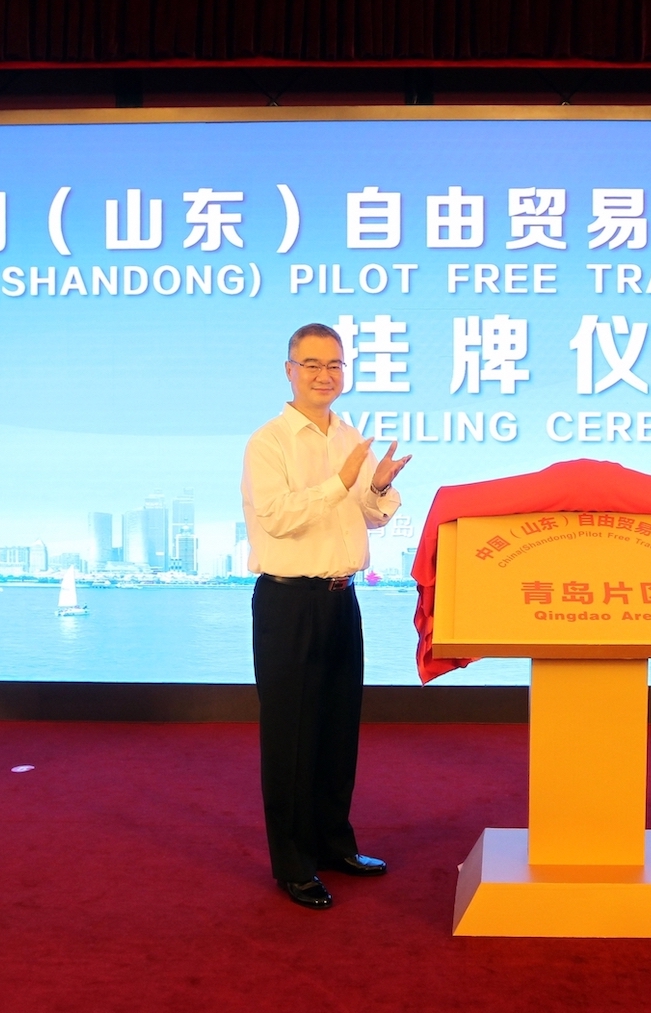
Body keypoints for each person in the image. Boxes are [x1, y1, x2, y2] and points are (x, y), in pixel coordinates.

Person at [241, 322, 412, 910]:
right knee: (291, 737)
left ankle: (335, 844)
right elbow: (278, 518)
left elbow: (367, 517)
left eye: (334, 364)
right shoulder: (268, 442)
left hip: (343, 597)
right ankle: (293, 865)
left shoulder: (349, 436)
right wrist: (339, 484)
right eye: (311, 364)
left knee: (338, 730)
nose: (324, 375)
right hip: (289, 601)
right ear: (289, 370)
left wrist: (377, 487)